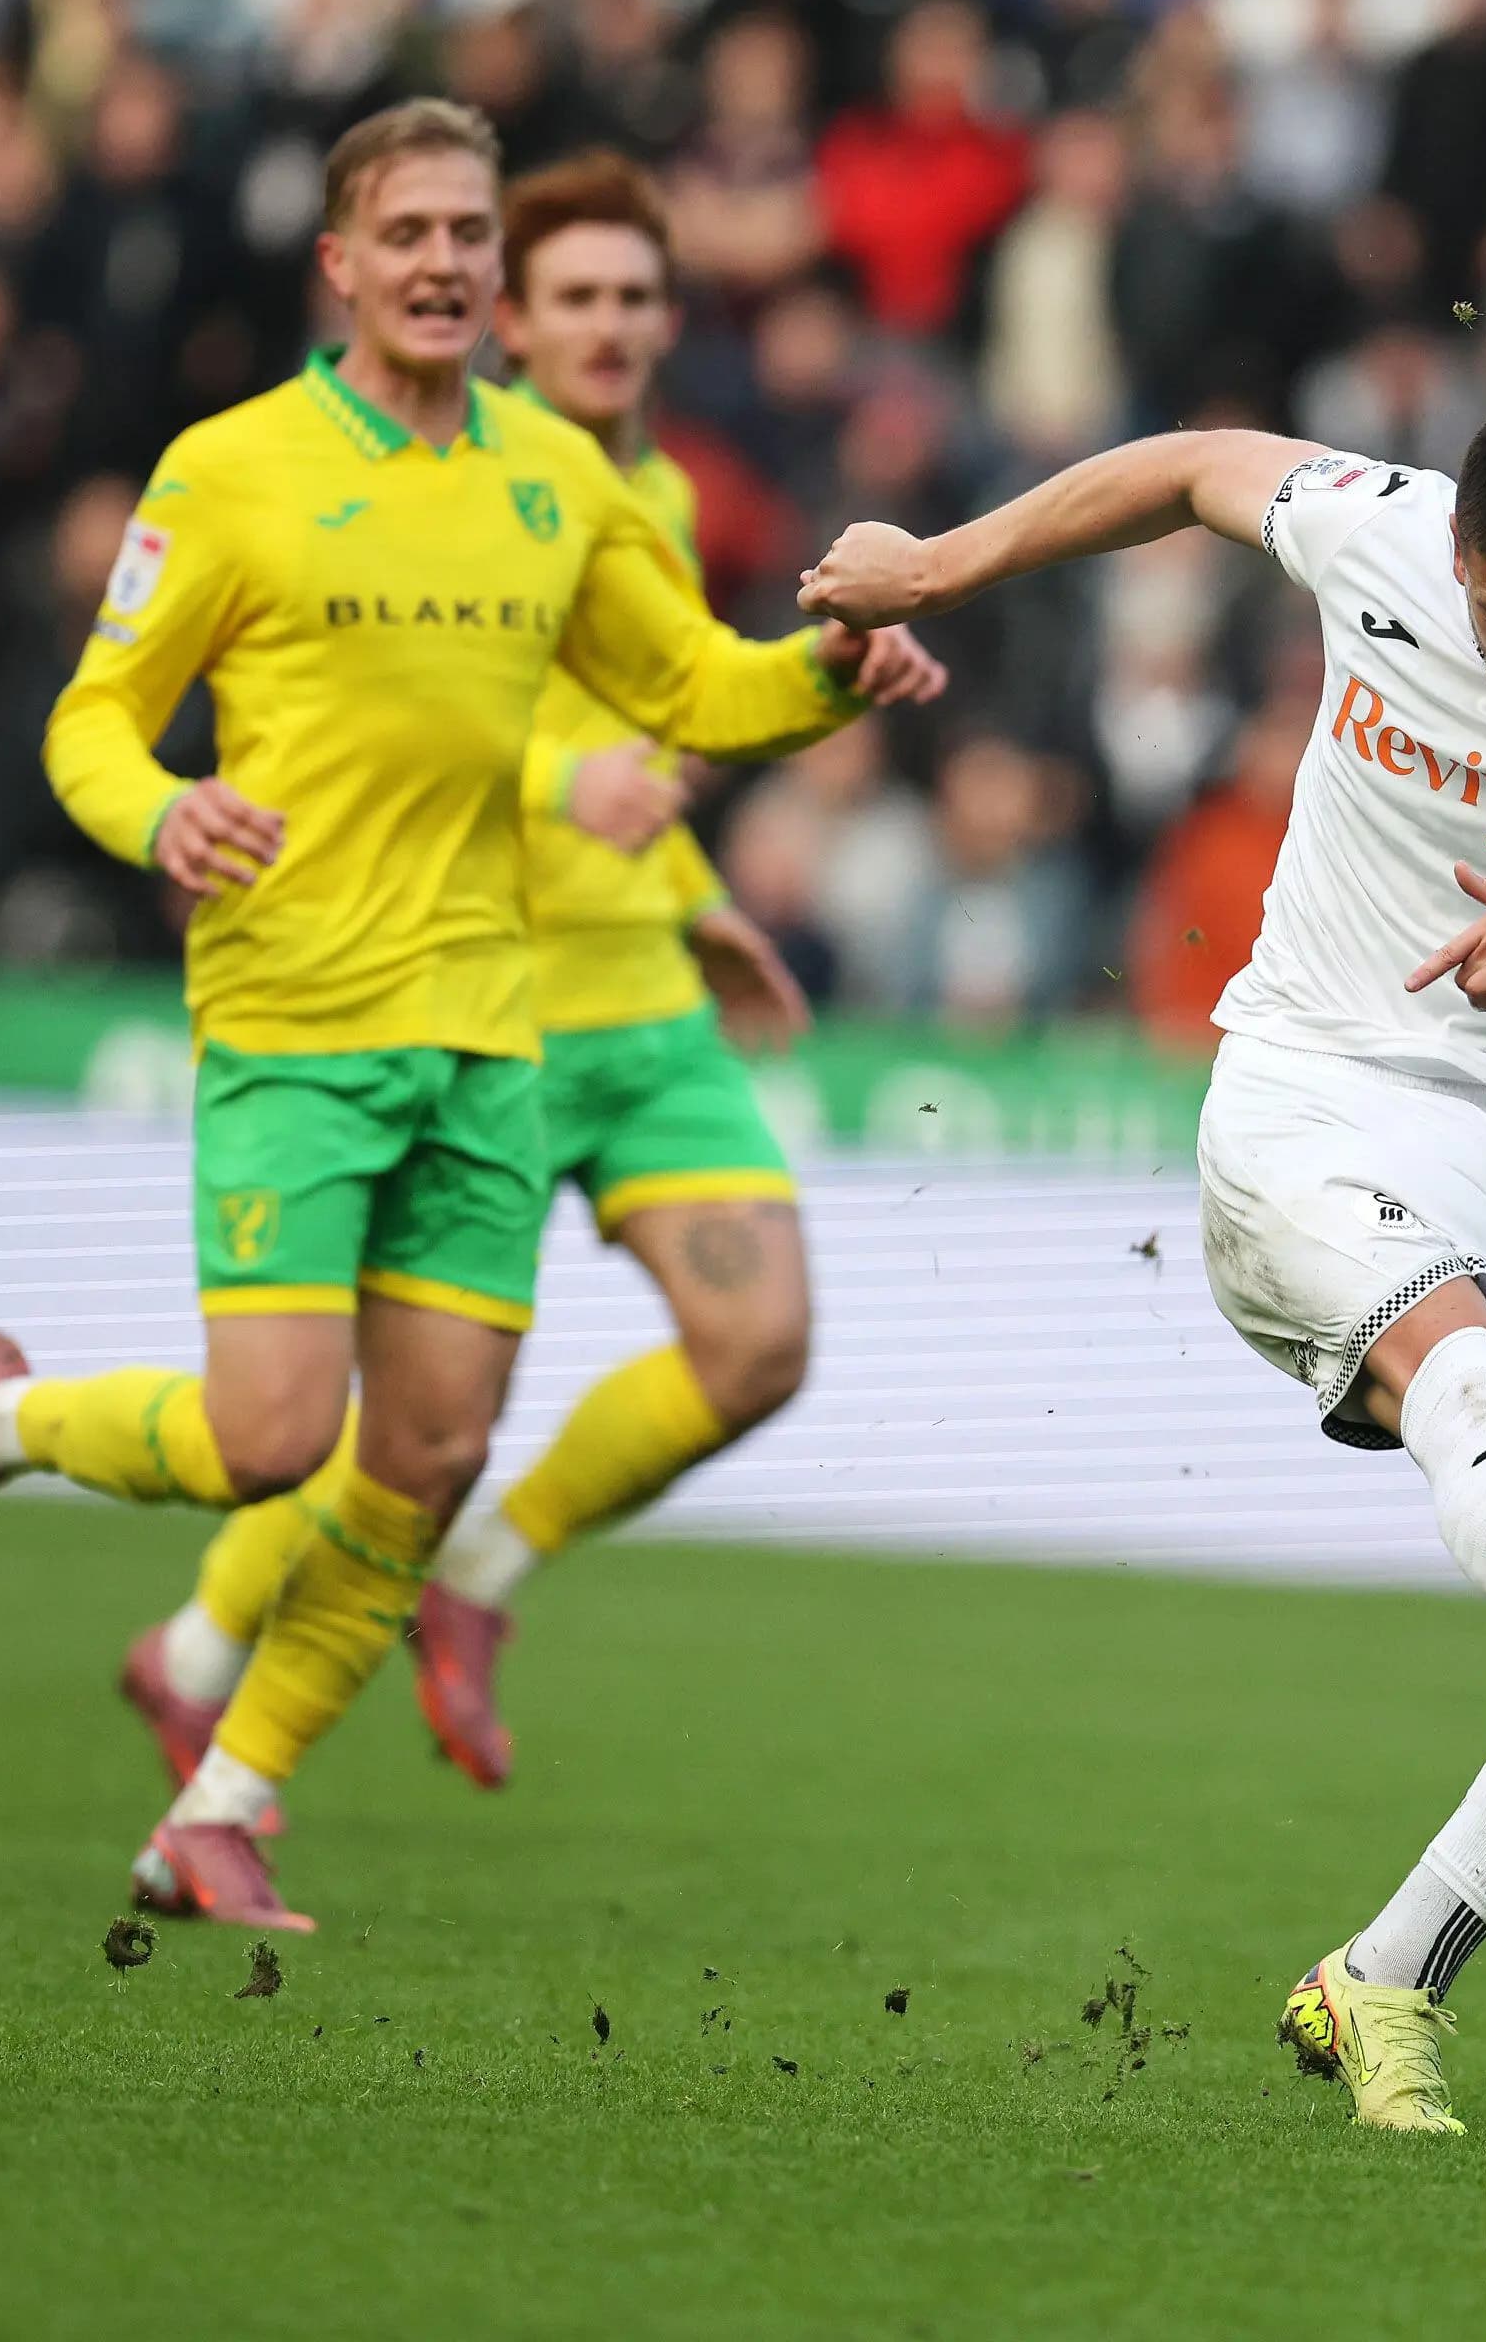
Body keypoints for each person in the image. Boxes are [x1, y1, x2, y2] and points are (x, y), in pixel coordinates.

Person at [0, 102, 929, 1933]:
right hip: (293, 1020)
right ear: (340, 267)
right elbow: (90, 721)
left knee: (422, 1460)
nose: (444, 262)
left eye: (467, 233)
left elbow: (696, 689)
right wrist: (159, 811)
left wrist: (834, 674)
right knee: (274, 1441)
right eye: (408, 232)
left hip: (487, 1043)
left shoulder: (562, 482)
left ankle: (226, 1801)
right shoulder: (232, 469)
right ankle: (0, 1418)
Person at [799, 397, 1486, 2136]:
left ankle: (1382, 1980)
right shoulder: (1376, 526)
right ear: (1454, 557)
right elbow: (1184, 464)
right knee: (1462, 1386)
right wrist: (935, 562)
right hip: (1323, 1099)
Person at [116, 150, 944, 1808]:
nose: (612, 325)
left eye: (639, 296)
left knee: (757, 1344)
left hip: (636, 994)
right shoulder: (460, 487)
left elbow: (674, 715)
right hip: (471, 997)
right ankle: (203, 1664)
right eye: (575, 295)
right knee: (368, 1414)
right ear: (507, 316)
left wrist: (702, 894)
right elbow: (434, 740)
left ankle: (477, 1582)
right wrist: (578, 796)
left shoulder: (661, 500)